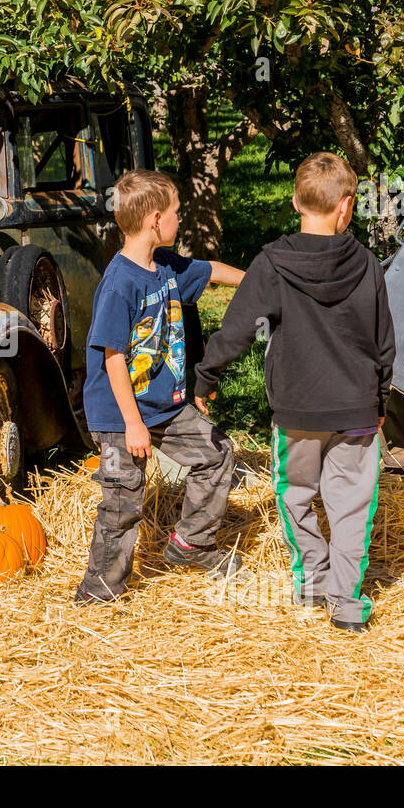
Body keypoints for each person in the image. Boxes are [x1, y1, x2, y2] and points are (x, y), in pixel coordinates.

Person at [193, 152, 395, 632]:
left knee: (294, 494)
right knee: (352, 509)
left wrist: (207, 375)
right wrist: (381, 398)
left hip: (298, 410)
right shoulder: (367, 263)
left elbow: (239, 328)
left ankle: (311, 580)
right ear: (346, 207)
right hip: (357, 409)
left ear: (293, 202)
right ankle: (347, 606)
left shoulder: (272, 263)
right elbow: (384, 341)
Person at [74, 169, 246, 604]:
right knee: (122, 501)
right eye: (175, 213)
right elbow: (113, 359)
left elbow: (211, 272)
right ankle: (99, 593)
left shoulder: (165, 266)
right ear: (154, 220)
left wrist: (262, 284)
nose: (180, 220)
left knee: (217, 453)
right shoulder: (120, 283)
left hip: (164, 407)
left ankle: (191, 543)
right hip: (120, 414)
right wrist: (133, 425)